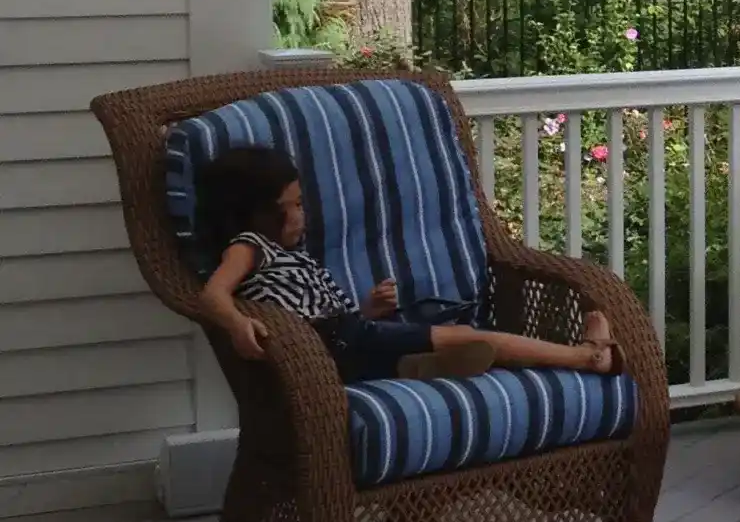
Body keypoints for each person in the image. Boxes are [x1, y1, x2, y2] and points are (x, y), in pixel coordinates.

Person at [195, 145, 622, 383]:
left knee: (446, 346)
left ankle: (421, 369)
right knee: (468, 335)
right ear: (259, 213)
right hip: (340, 342)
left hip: (349, 345)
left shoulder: (291, 256)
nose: (304, 214)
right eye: (295, 205)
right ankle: (588, 357)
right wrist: (236, 325)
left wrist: (369, 309)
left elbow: (321, 315)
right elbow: (212, 293)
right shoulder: (249, 245)